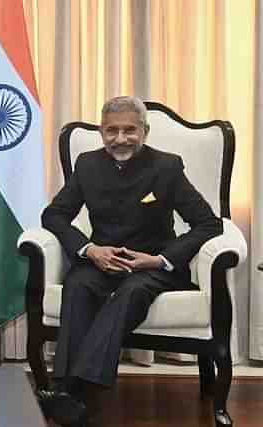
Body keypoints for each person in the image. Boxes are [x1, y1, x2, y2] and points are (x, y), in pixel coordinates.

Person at [39, 96, 222, 426]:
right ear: (101, 132)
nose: (120, 138)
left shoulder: (167, 166)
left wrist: (160, 260)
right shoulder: (88, 164)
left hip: (151, 265)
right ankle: (68, 392)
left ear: (144, 131)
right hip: (102, 261)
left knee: (132, 292)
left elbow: (209, 223)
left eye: (129, 130)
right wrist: (89, 250)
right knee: (77, 284)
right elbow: (54, 215)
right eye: (111, 130)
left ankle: (72, 390)